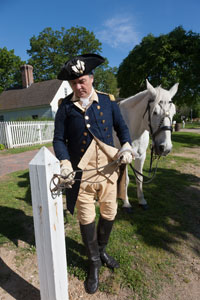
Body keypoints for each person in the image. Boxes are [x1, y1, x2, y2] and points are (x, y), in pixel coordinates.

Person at [53, 53, 134, 294]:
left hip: (109, 173)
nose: (78, 87)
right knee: (86, 219)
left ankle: (102, 250)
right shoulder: (66, 108)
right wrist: (65, 161)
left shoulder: (108, 103)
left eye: (82, 81)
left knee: (109, 213)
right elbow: (58, 139)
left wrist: (127, 146)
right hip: (82, 176)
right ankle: (94, 263)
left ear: (91, 78)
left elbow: (122, 128)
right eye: (73, 83)